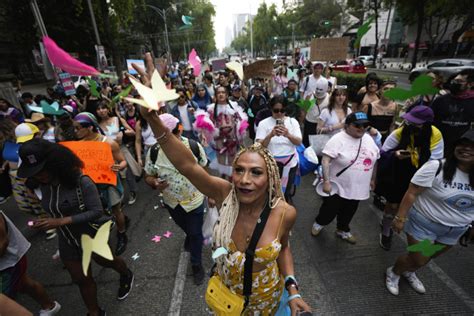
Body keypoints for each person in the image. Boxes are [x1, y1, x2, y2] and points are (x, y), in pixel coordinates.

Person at [133, 54, 311, 313]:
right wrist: (153, 119)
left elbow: (284, 249)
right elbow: (188, 166)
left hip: (267, 301)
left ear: (270, 178)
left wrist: (293, 290)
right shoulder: (226, 193)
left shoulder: (285, 212)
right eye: (239, 170)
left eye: (256, 173)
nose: (245, 180)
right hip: (226, 299)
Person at [17, 139, 134, 316]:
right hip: (67, 240)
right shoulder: (42, 185)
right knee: (81, 279)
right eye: (34, 172)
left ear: (55, 163)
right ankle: (94, 312)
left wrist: (60, 221)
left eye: (42, 170)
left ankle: (126, 273)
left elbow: (96, 211)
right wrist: (45, 220)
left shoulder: (82, 181)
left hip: (91, 235)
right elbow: (50, 207)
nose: (39, 176)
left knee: (107, 261)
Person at [385, 129, 474, 296]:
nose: (466, 149)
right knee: (419, 258)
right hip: (425, 225)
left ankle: (409, 271)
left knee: (428, 257)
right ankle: (394, 272)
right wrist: (400, 217)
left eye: (472, 147)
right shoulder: (436, 167)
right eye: (462, 145)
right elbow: (412, 192)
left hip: (455, 230)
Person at [144, 115, 208, 285]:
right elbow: (148, 176)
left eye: (172, 133)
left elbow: (204, 167)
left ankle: (196, 265)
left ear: (179, 129)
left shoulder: (193, 147)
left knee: (195, 233)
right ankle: (189, 235)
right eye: (163, 136)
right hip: (172, 202)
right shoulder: (154, 152)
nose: (169, 139)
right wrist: (154, 182)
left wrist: (212, 193)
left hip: (194, 200)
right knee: (186, 228)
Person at [377, 105, 444, 251]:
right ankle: (386, 228)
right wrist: (395, 155)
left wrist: (418, 159)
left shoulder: (435, 135)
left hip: (422, 175)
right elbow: (382, 153)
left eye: (417, 122)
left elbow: (436, 159)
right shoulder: (400, 132)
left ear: (427, 123)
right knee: (393, 204)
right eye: (410, 121)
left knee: (413, 205)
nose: (411, 124)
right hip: (400, 173)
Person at [311, 112, 380, 244]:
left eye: (365, 125)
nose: (361, 128)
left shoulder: (368, 139)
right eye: (357, 125)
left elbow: (375, 160)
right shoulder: (338, 139)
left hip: (358, 186)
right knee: (330, 209)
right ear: (347, 126)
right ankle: (319, 223)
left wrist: (372, 179)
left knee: (350, 210)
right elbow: (325, 160)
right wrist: (326, 182)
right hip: (337, 185)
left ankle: (342, 229)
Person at [73, 112, 129, 255]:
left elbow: (122, 160)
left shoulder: (108, 143)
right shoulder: (78, 146)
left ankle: (122, 233)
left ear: (90, 127)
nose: (75, 131)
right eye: (75, 128)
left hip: (109, 184)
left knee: (116, 210)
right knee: (99, 212)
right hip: (91, 186)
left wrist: (120, 166)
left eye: (78, 128)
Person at [0, 211, 61, 315]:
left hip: (10, 262)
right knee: (24, 284)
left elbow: (2, 242)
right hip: (11, 261)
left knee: (6, 301)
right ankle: (50, 307)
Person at [256, 96, 302, 202]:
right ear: (271, 109)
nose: (280, 113)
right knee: (268, 191)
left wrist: (288, 134)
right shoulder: (264, 123)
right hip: (269, 162)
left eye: (283, 110)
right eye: (276, 110)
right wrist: (270, 135)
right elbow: (258, 146)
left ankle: (283, 211)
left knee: (286, 192)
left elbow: (299, 142)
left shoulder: (292, 122)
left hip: (289, 163)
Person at [200, 86, 247, 178]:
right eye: (218, 93)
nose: (221, 94)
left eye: (223, 92)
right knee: (221, 161)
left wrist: (239, 133)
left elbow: (241, 121)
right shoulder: (211, 108)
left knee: (232, 161)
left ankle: (231, 181)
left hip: (232, 138)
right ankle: (222, 182)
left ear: (227, 94)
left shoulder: (233, 106)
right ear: (216, 95)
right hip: (219, 140)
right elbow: (205, 125)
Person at [431, 69, 474, 155]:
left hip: (461, 150)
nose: (454, 83)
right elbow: (430, 121)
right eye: (454, 80)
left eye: (460, 81)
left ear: (471, 84)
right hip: (437, 147)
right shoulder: (441, 100)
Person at [302, 79, 330, 147]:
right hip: (309, 123)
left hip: (321, 126)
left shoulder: (329, 98)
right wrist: (303, 121)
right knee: (307, 144)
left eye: (321, 89)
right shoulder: (309, 96)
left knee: (318, 146)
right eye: (317, 89)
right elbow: (304, 109)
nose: (318, 91)